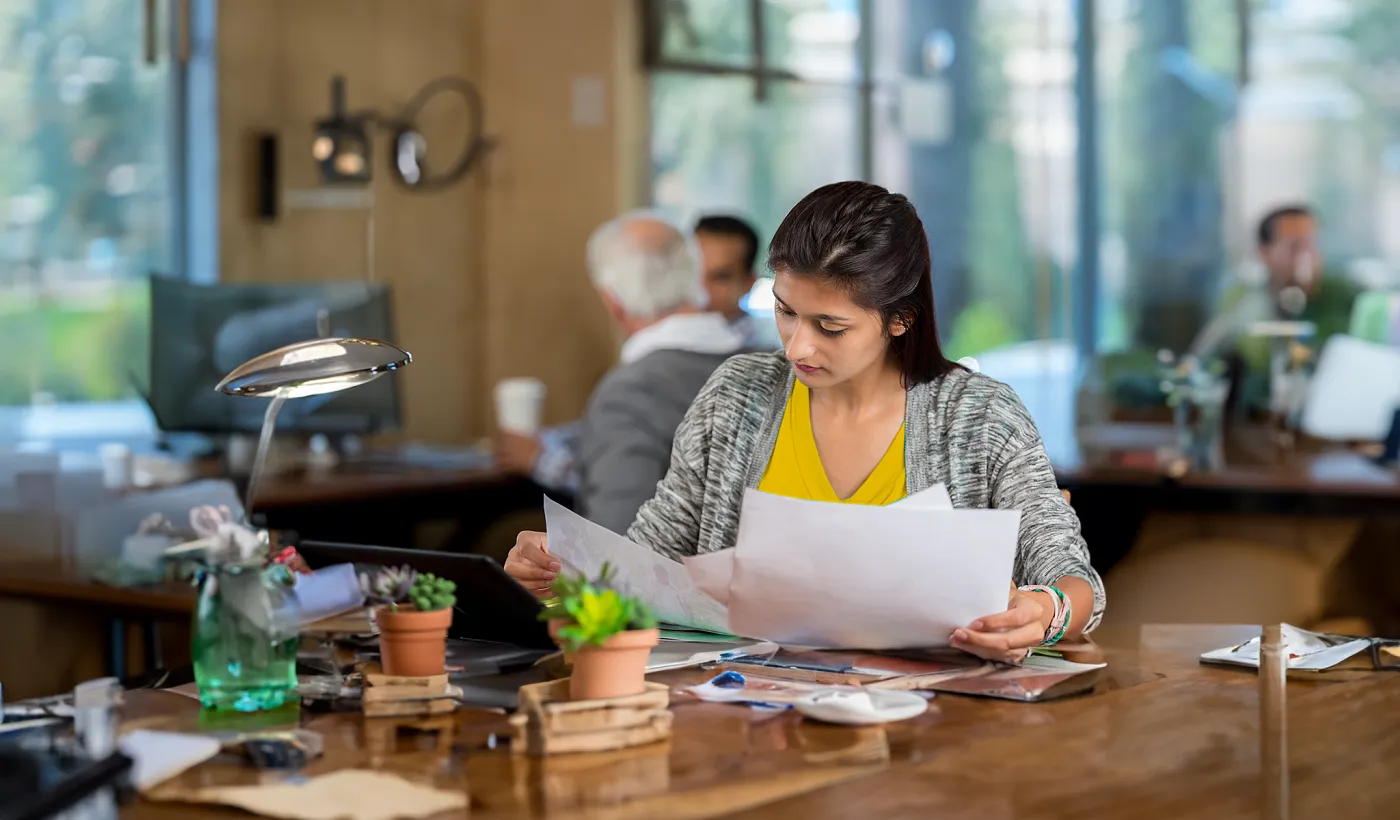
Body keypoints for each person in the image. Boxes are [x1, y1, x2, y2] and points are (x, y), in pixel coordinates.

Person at [506, 181, 1105, 663]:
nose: (797, 347)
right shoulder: (737, 396)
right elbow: (650, 558)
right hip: (749, 725)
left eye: (830, 326)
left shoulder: (980, 418)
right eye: (786, 313)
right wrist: (568, 567)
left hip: (935, 733)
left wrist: (1045, 611)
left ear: (900, 319)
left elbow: (1073, 579)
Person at [497, 211, 748, 535]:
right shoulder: (769, 365)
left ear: (612, 301)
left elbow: (616, 551)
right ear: (694, 279)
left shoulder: (631, 391)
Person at [1191, 204, 1359, 410]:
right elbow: (1203, 363)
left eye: (1312, 245)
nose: (1307, 257)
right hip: (1257, 422)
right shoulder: (1245, 299)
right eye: (1295, 247)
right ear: (1264, 252)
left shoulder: (1348, 296)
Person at [694, 215, 772, 349]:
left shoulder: (762, 353)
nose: (700, 290)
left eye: (720, 277)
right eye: (692, 272)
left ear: (748, 284)